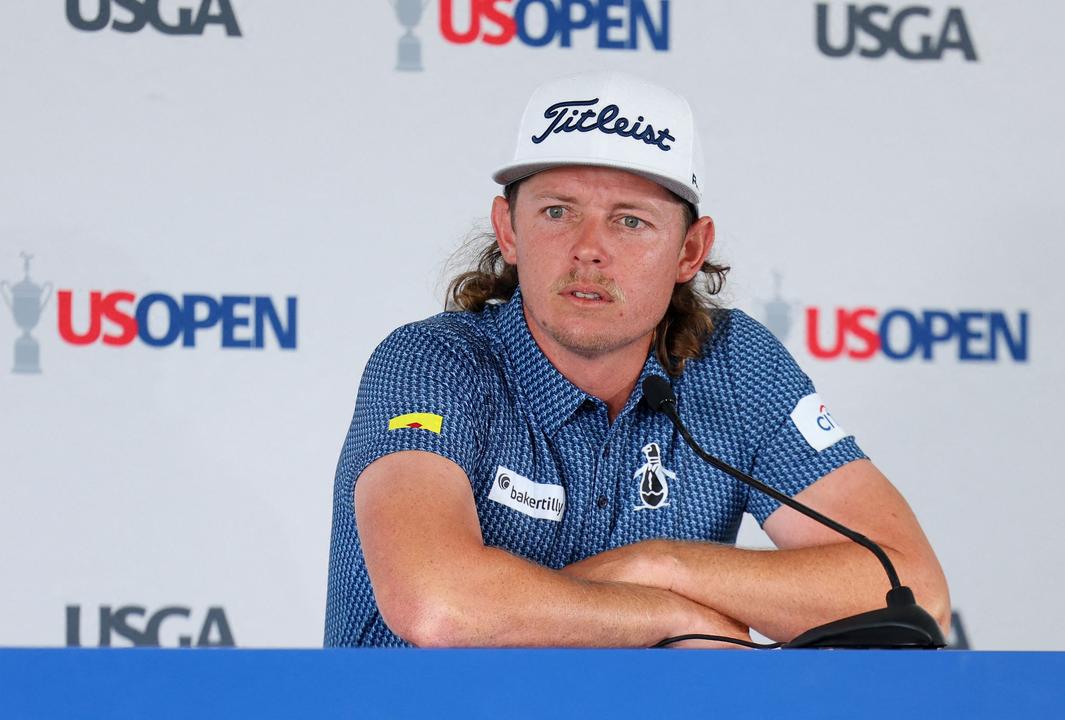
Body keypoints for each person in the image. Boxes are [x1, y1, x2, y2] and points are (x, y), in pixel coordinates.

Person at [325, 72, 949, 648]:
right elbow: (438, 602)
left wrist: (659, 565)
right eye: (557, 211)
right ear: (508, 230)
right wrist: (674, 615)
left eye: (630, 221)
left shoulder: (733, 364)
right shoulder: (432, 362)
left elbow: (912, 592)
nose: (589, 249)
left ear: (690, 250)